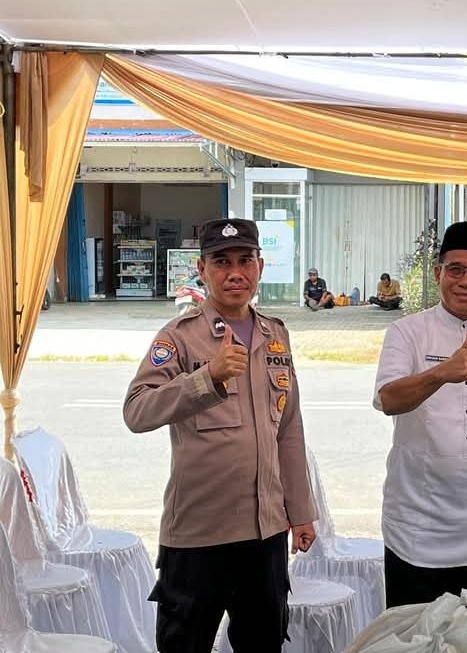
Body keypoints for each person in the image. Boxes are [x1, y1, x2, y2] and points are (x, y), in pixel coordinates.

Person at [123, 218, 317, 653]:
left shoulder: (275, 334)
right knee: (185, 645)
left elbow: (288, 428)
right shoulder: (179, 337)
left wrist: (300, 511)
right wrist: (206, 377)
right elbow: (137, 411)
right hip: (199, 533)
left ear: (260, 267)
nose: (235, 273)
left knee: (262, 643)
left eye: (245, 261)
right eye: (222, 262)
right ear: (202, 269)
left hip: (265, 533)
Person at [373, 220, 467, 608]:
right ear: (438, 273)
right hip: (418, 528)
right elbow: (389, 399)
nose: (466, 281)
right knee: (415, 635)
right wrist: (441, 373)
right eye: (455, 269)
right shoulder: (407, 333)